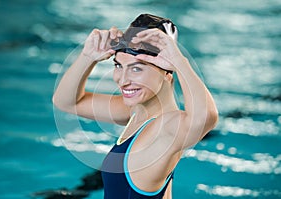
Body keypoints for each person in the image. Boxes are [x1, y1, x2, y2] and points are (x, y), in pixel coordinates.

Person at [53, 13, 218, 199]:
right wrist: (87, 56)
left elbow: (206, 117)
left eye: (137, 68)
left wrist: (180, 62)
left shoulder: (165, 130)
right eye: (118, 66)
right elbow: (67, 102)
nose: (122, 80)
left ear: (167, 72)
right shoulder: (137, 111)